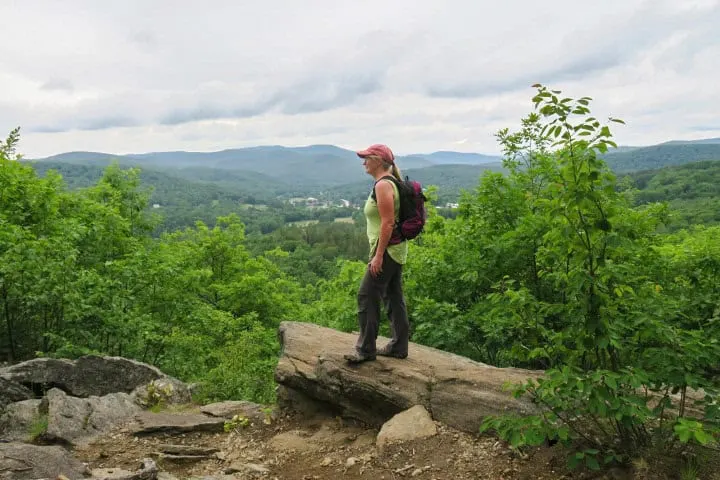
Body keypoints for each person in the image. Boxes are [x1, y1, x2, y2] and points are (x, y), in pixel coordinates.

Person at [344, 143, 409, 364]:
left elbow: (388, 222)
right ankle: (399, 346)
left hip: (388, 250)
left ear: (378, 161)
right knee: (393, 296)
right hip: (396, 249)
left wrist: (379, 255)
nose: (363, 162)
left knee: (366, 296)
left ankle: (365, 350)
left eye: (366, 158)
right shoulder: (390, 182)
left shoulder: (383, 185)